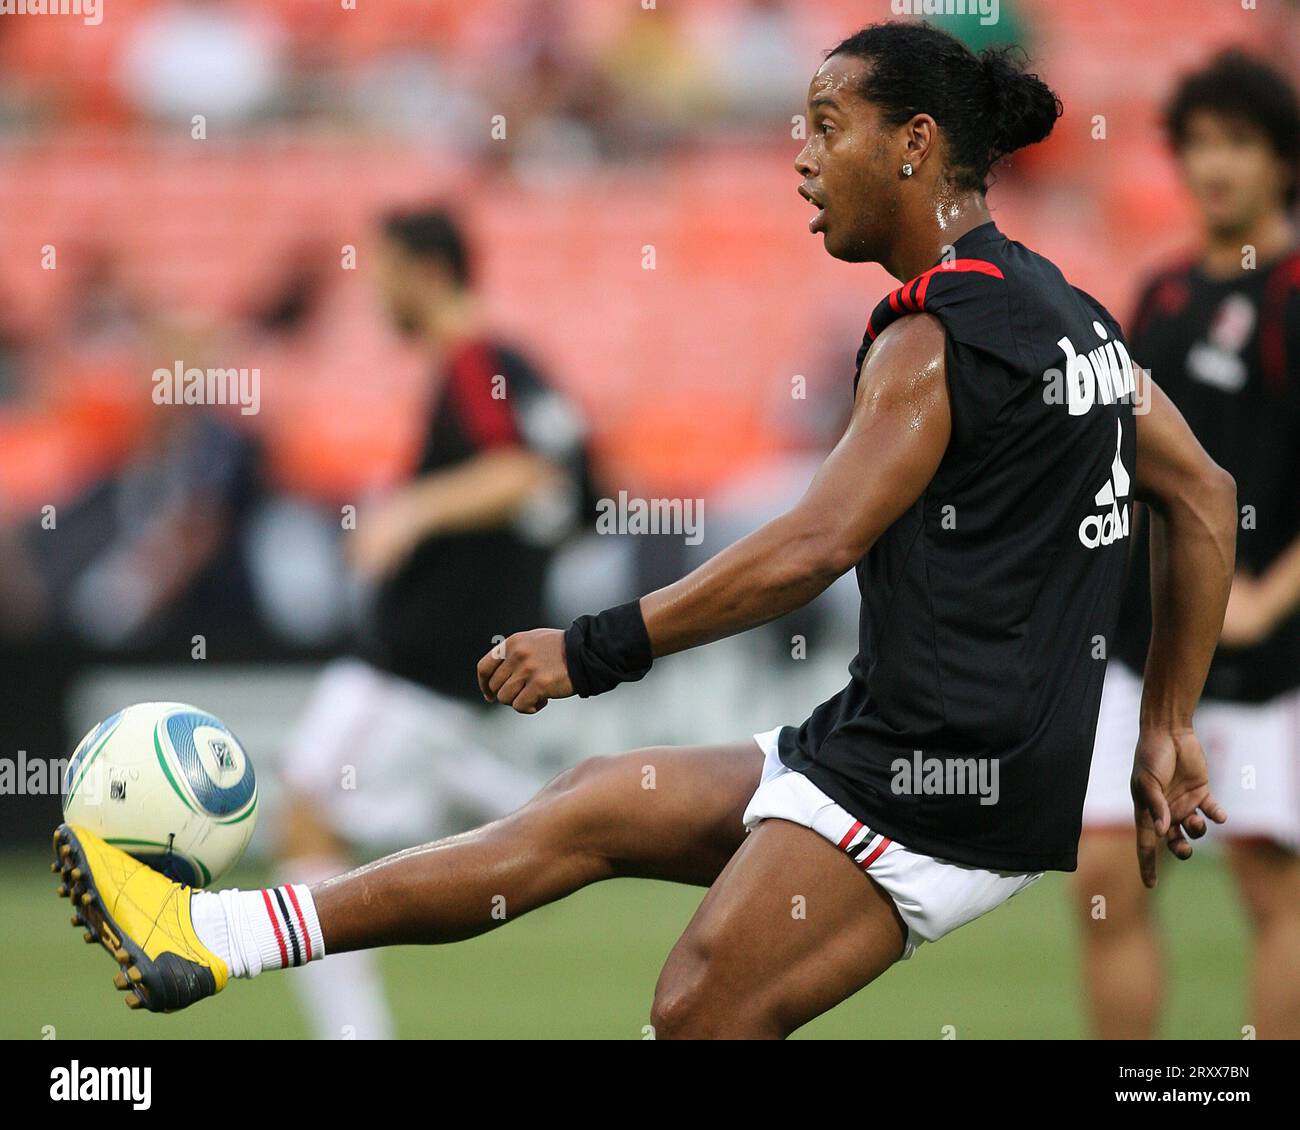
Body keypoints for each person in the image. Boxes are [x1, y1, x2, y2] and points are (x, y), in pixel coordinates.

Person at [55, 22, 1237, 1040]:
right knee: (595, 801)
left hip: (935, 784)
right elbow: (1199, 495)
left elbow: (808, 547)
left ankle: (210, 934)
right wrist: (1167, 726)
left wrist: (594, 645)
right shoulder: (1071, 316)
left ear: (915, 143)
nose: (802, 158)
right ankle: (213, 935)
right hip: (906, 742)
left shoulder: (934, 340)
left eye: (827, 125)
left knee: (699, 1010)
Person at [275, 207, 591, 1038]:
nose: (375, 290)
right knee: (381, 811)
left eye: (382, 270)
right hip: (459, 666)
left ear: (425, 271)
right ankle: (537, 812)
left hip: (415, 663)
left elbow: (524, 470)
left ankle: (355, 1036)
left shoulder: (477, 362)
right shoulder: (516, 366)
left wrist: (408, 510)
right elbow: (578, 482)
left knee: (307, 814)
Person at [1076, 51, 1300, 1040]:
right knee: (1105, 882)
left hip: (1268, 655)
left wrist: (1269, 593)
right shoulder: (1161, 294)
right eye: (1197, 143)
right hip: (1145, 641)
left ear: (1283, 160)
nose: (1214, 165)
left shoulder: (1294, 293)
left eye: (1237, 143)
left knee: (1270, 891)